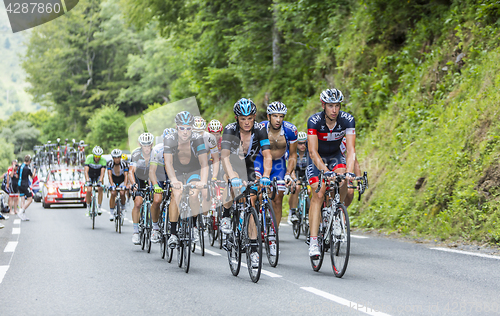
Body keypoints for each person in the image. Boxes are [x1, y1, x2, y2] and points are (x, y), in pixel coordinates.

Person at [220, 98, 272, 267]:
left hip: (249, 165)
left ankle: (255, 250)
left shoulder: (260, 130)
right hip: (231, 164)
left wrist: (266, 175)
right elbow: (225, 157)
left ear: (254, 117)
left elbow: (267, 155)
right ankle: (226, 215)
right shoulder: (229, 130)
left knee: (250, 201)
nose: (247, 122)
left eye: (250, 118)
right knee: (231, 183)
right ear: (237, 118)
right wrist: (233, 178)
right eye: (243, 119)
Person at [306, 88, 357, 258]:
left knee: (343, 178)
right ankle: (314, 242)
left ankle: (337, 212)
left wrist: (350, 172)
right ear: (323, 105)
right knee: (318, 194)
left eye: (337, 105)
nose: (334, 110)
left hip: (335, 156)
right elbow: (312, 152)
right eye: (330, 106)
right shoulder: (314, 121)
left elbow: (350, 149)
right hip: (317, 158)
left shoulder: (347, 120)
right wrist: (325, 171)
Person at [164, 111, 209, 249]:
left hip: (192, 170)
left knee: (194, 195)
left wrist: (203, 181)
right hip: (176, 170)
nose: (185, 132)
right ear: (177, 127)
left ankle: (194, 226)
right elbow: (168, 163)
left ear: (192, 128)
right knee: (176, 194)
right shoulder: (170, 139)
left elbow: (204, 164)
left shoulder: (197, 139)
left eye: (188, 128)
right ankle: (173, 233)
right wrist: (173, 180)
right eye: (182, 128)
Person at [254, 101, 298, 229]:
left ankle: (273, 234)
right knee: (258, 190)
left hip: (279, 164)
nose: (278, 120)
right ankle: (255, 219)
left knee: (278, 200)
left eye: (281, 116)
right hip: (260, 161)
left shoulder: (290, 130)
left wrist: (289, 173)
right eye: (275, 116)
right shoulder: (260, 127)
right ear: (268, 116)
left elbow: (293, 155)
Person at [129, 132, 155, 245]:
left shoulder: (155, 154)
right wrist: (134, 184)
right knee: (138, 203)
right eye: (144, 145)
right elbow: (131, 171)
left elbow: (154, 171)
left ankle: (155, 227)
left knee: (156, 200)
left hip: (150, 176)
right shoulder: (136, 154)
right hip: (138, 179)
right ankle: (135, 232)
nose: (146, 148)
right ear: (140, 145)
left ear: (151, 144)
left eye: (148, 145)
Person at [148, 128, 171, 243]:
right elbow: (152, 171)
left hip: (171, 174)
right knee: (157, 200)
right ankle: (155, 227)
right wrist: (156, 185)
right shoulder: (157, 150)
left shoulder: (179, 149)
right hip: (159, 174)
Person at [289, 131, 309, 222]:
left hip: (306, 173)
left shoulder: (309, 152)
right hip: (296, 173)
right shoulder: (293, 153)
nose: (302, 146)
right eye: (300, 143)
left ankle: (308, 212)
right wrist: (295, 179)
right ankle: (292, 212)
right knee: (296, 187)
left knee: (309, 190)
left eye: (304, 143)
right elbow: (291, 169)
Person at [107, 149, 129, 221]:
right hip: (113, 179)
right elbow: (109, 175)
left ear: (120, 157)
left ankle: (123, 208)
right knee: (113, 193)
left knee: (122, 193)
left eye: (118, 157)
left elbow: (126, 176)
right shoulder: (110, 163)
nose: (117, 159)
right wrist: (112, 184)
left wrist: (125, 185)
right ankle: (111, 212)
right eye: (115, 158)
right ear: (113, 158)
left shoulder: (124, 164)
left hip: (121, 179)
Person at [84, 146, 107, 216]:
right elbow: (85, 171)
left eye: (99, 156)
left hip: (98, 175)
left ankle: (99, 207)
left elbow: (102, 173)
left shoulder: (103, 160)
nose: (97, 158)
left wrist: (100, 181)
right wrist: (88, 181)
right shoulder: (89, 158)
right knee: (88, 190)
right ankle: (88, 207)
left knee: (100, 188)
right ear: (93, 155)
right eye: (96, 156)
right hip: (90, 175)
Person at [17, 155, 34, 221]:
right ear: (29, 161)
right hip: (25, 185)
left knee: (22, 199)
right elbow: (32, 176)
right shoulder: (27, 168)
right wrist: (34, 170)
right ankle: (20, 212)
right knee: (30, 199)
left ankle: (23, 216)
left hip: (19, 184)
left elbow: (17, 174)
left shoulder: (20, 166)